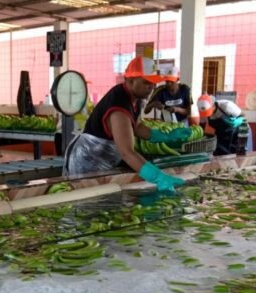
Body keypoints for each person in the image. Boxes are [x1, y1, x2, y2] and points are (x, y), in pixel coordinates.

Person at [62, 56, 191, 193]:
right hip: (88, 161)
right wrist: (158, 177)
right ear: (130, 80)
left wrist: (162, 136)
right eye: (146, 82)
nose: (151, 87)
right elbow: (127, 152)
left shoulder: (135, 98)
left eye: (153, 83)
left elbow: (135, 127)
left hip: (104, 159)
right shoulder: (119, 105)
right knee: (87, 205)